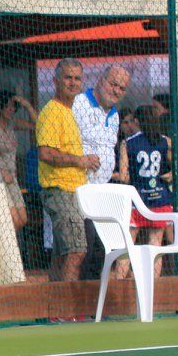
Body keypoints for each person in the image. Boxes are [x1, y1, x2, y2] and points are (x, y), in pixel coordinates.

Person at [36, 58, 97, 282]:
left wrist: (85, 161)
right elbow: (45, 153)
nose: (73, 83)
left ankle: (53, 301)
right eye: (68, 77)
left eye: (77, 78)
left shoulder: (68, 111)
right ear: (55, 81)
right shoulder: (52, 112)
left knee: (62, 254)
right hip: (61, 190)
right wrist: (79, 161)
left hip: (74, 191)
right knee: (76, 251)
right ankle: (68, 303)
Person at [114, 106, 178, 278]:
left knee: (128, 244)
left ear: (137, 121)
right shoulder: (163, 140)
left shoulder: (128, 143)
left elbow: (124, 177)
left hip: (138, 199)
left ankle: (119, 283)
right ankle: (153, 286)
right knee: (156, 245)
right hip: (160, 199)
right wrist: (175, 172)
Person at [72, 65, 129, 279]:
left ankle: (95, 296)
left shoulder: (114, 115)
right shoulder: (79, 104)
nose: (116, 91)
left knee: (100, 249)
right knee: (81, 249)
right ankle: (74, 297)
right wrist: (81, 159)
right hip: (78, 189)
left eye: (122, 88)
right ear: (100, 81)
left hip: (101, 192)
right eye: (113, 84)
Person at [0, 89, 37, 230]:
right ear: (0, 106)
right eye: (7, 106)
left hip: (12, 177)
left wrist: (26, 105)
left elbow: (38, 125)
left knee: (22, 219)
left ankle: (9, 243)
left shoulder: (11, 123)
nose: (10, 110)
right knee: (12, 220)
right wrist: (1, 172)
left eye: (13, 107)